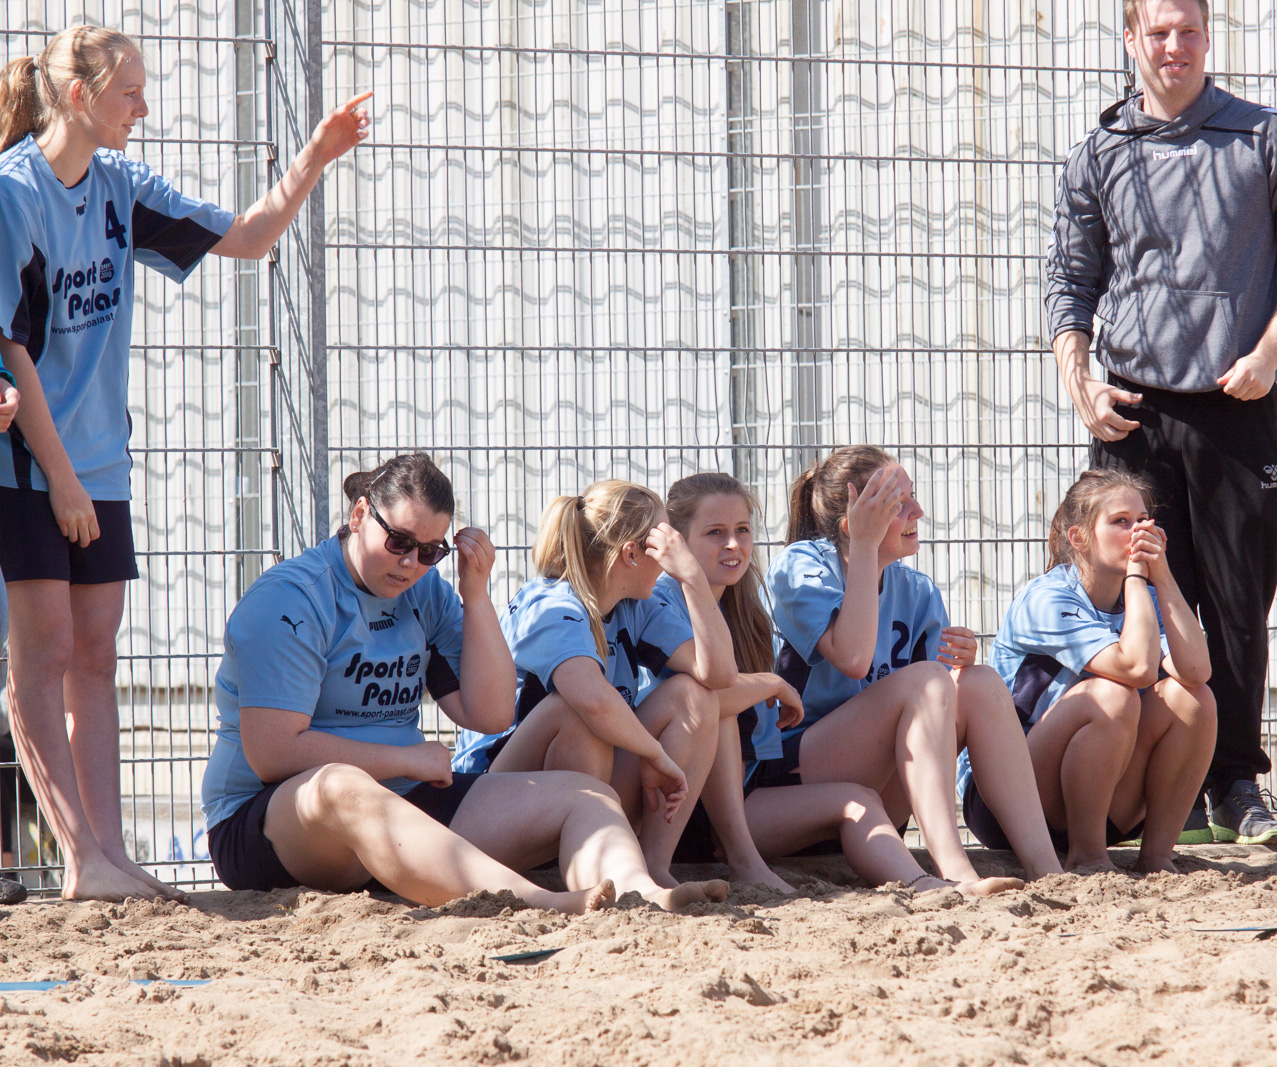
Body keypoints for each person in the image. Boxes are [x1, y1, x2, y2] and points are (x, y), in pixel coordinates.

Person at [0, 26, 374, 900]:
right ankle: (77, 853)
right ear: (83, 97)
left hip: (102, 463)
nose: (145, 106)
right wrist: (56, 474)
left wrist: (314, 157)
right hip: (30, 464)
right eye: (131, 91)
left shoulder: (121, 185)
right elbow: (12, 346)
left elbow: (247, 236)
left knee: (96, 657)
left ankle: (110, 856)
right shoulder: (14, 193)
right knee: (43, 655)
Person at [1044, 0, 1277, 844]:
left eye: (1190, 31)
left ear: (1208, 37)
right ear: (1130, 39)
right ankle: (1135, 787)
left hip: (1237, 409)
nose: (1175, 47)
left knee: (1238, 601)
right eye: (1158, 32)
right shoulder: (1098, 154)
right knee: (1129, 592)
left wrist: (1269, 355)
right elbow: (1069, 283)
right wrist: (1081, 385)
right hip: (1133, 414)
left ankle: (1237, 785)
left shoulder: (1265, 136)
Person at [202, 454, 724, 912]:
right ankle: (539, 900)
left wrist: (475, 596)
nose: (411, 563)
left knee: (586, 794)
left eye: (430, 551)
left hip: (404, 802)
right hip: (268, 822)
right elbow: (273, 752)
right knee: (340, 786)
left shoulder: (424, 592)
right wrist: (406, 760)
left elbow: (491, 713)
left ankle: (638, 890)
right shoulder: (292, 599)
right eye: (399, 542)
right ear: (359, 515)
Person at [662, 472, 997, 895]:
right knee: (717, 705)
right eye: (715, 533)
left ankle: (935, 885)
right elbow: (696, 698)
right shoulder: (665, 600)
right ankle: (692, 864)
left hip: (754, 793)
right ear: (676, 539)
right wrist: (770, 684)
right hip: (696, 809)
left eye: (742, 531)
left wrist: (961, 664)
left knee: (863, 798)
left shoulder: (744, 607)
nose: (733, 544)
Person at [769, 446, 1064, 892]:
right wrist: (865, 546)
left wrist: (959, 665)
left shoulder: (917, 590)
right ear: (854, 519)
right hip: (794, 781)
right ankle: (956, 872)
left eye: (914, 496)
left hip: (877, 792)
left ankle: (1048, 871)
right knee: (927, 681)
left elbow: (936, 710)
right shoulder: (801, 564)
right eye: (899, 503)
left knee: (979, 683)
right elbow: (853, 659)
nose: (918, 511)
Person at [453, 480, 732, 890]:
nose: (673, 556)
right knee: (579, 715)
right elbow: (593, 701)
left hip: (585, 787)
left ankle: (653, 869)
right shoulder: (550, 603)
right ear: (632, 554)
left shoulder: (636, 607)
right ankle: (590, 873)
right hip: (494, 800)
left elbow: (719, 675)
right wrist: (656, 754)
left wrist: (692, 577)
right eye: (664, 543)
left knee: (695, 698)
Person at [964, 469, 1216, 873]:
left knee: (1195, 699)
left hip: (1103, 802)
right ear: (1079, 538)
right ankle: (1088, 856)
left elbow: (1197, 670)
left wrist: (1163, 577)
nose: (1138, 532)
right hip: (1008, 804)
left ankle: (1155, 857)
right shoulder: (1047, 597)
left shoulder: (1145, 594)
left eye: (1144, 520)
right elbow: (1135, 668)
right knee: (1113, 694)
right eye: (1121, 522)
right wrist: (1137, 576)